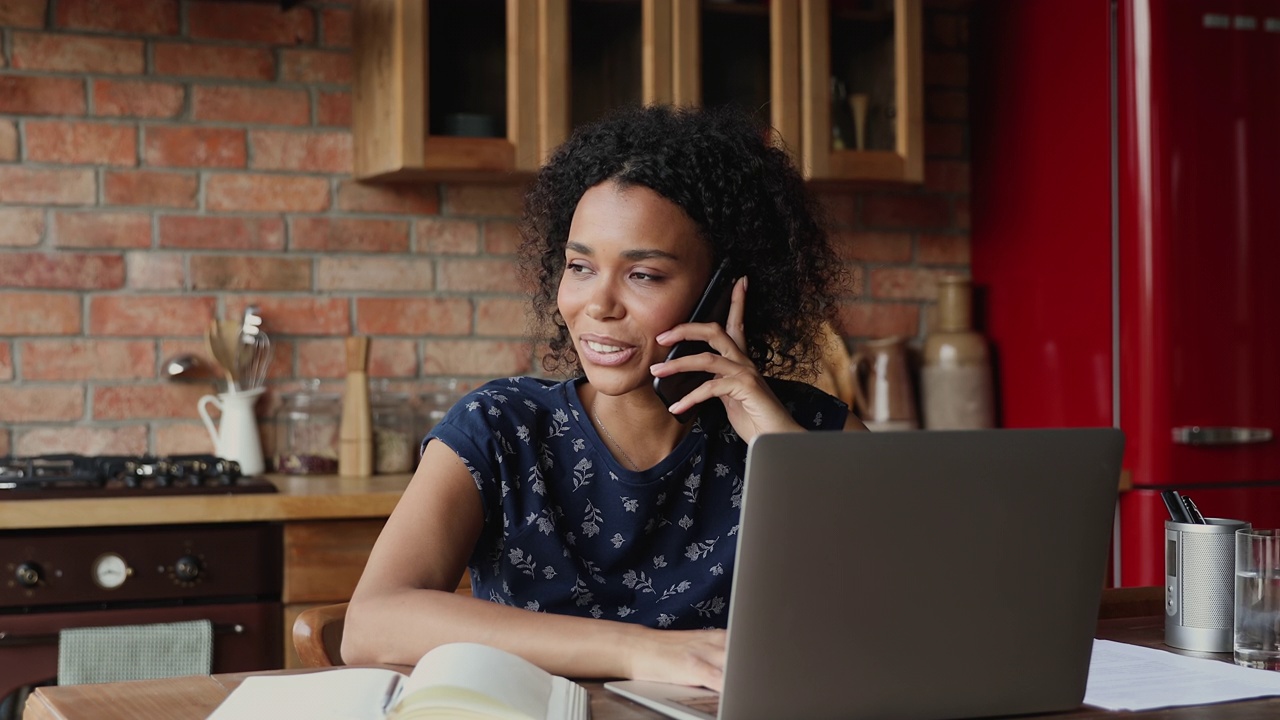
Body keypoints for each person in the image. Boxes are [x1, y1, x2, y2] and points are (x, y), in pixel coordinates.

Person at [342, 104, 865, 691]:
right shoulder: (500, 427)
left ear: (725, 292)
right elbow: (371, 621)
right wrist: (642, 652)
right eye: (580, 266)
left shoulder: (810, 432)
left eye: (644, 275)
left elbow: (917, 602)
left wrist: (782, 453)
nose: (598, 305)